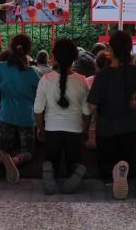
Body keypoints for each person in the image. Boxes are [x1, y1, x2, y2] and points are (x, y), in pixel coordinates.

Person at [87, 31, 136, 200]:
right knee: (127, 161)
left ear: (111, 50)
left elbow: (92, 105)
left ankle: (113, 180)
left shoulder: (102, 75)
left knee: (106, 167)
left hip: (106, 128)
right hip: (129, 127)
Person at [34, 39, 91, 195]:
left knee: (52, 159)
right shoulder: (82, 81)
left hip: (52, 129)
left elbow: (38, 110)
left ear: (54, 57)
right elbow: (87, 112)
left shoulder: (45, 80)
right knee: (73, 160)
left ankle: (49, 170)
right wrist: (85, 131)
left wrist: (40, 128)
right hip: (75, 130)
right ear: (75, 57)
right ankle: (75, 171)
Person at [0, 34, 41, 184]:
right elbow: (41, 95)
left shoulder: (1, 67)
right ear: (28, 51)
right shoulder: (32, 73)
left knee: (5, 146)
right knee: (28, 151)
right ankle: (15, 160)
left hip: (6, 116)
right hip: (26, 118)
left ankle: (2, 155)